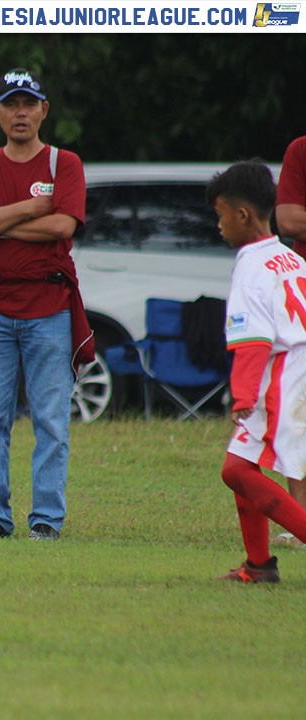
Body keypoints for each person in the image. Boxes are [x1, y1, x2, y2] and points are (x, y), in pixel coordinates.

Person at [0, 68, 92, 541]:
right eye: (11, 104)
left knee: (51, 421)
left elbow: (63, 228)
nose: (21, 112)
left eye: (29, 103)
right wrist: (30, 210)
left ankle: (46, 521)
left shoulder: (63, 164)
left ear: (44, 110)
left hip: (50, 307)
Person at [207, 161, 306, 583]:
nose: (219, 225)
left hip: (284, 375)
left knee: (236, 470)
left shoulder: (250, 264)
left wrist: (243, 395)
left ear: (242, 215)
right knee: (242, 465)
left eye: (220, 215)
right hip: (297, 367)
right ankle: (260, 565)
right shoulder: (289, 257)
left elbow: (253, 341)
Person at [270, 138, 306, 547]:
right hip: (303, 304)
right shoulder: (301, 150)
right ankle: (301, 523)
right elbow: (290, 221)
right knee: (296, 410)